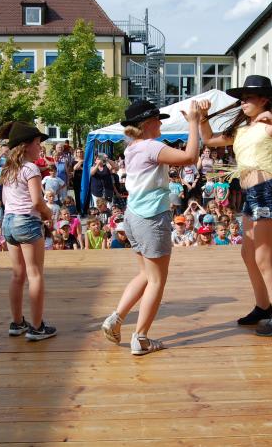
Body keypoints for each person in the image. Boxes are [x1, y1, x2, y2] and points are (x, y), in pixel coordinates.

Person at [198, 75, 272, 336]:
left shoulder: (270, 126)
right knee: (248, 255)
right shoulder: (242, 130)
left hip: (269, 192)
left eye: (248, 98)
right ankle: (263, 306)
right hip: (251, 195)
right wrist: (203, 117)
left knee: (263, 257)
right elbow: (209, 140)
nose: (243, 103)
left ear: (263, 99)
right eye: (242, 99)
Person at [100, 99, 200, 356]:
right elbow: (190, 157)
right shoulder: (151, 147)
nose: (161, 124)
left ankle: (116, 319)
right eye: (158, 120)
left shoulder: (132, 148)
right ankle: (141, 338)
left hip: (133, 216)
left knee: (145, 274)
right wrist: (194, 123)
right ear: (146, 124)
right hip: (151, 218)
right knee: (157, 280)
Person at [0, 121, 57, 341]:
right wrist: (48, 214)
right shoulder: (30, 168)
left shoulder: (9, 169)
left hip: (9, 222)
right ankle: (37, 327)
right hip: (27, 222)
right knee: (35, 274)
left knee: (17, 274)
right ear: (26, 145)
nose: (40, 147)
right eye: (37, 143)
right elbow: (36, 201)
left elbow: (5, 199)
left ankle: (17, 323)